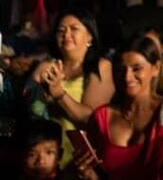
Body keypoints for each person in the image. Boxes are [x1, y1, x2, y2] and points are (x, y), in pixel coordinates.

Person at [72, 35, 163, 180]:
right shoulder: (102, 117)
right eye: (121, 70)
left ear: (156, 68)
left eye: (136, 69)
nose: (127, 77)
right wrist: (87, 172)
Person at [26, 9, 114, 170]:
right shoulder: (46, 67)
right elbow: (28, 111)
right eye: (61, 30)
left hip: (80, 160)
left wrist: (59, 93)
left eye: (74, 29)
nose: (66, 34)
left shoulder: (100, 67)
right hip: (46, 160)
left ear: (90, 36)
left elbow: (93, 119)